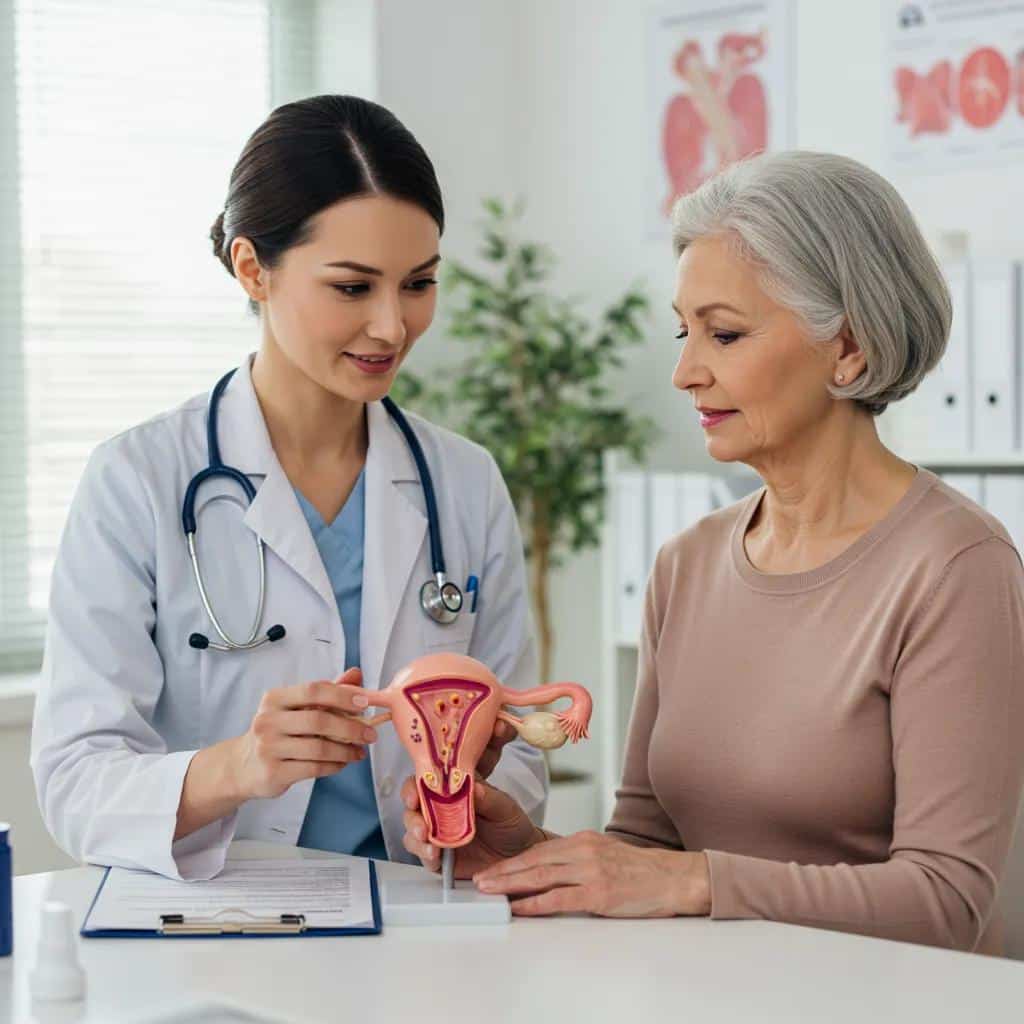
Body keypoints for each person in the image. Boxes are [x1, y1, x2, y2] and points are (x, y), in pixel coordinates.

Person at [405, 151, 1024, 954]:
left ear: (849, 348)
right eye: (684, 331)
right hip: (703, 995)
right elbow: (645, 846)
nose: (684, 372)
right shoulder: (686, 565)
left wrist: (697, 881)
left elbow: (945, 902)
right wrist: (524, 853)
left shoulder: (957, 568)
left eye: (723, 334)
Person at [31, 95, 546, 881]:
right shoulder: (138, 481)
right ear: (252, 268)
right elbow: (75, 783)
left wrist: (479, 807)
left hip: (420, 908)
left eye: (418, 284)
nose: (392, 326)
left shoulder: (463, 482)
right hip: (219, 915)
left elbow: (520, 741)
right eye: (352, 288)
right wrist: (239, 765)